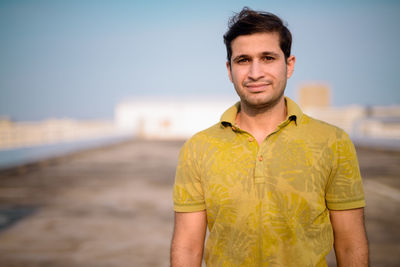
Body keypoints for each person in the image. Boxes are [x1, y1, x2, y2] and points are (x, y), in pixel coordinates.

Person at [171, 7, 368, 267]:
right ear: (229, 70)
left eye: (267, 58)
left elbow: (350, 243)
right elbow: (187, 247)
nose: (255, 73)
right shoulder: (198, 148)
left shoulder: (333, 142)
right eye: (243, 60)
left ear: (289, 65)